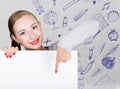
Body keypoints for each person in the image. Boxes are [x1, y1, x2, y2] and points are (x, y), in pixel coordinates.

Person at [3, 10, 99, 73]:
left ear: (40, 25)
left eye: (34, 27)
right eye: (23, 33)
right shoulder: (18, 63)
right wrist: (9, 61)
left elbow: (95, 25)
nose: (32, 36)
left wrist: (63, 46)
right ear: (15, 38)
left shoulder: (56, 49)